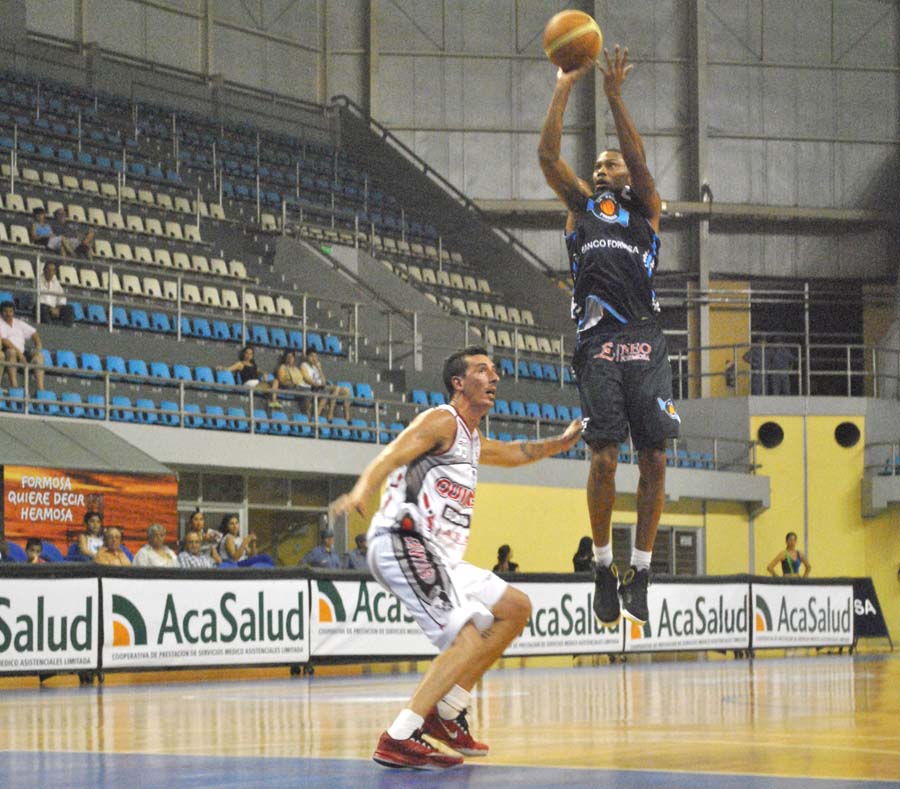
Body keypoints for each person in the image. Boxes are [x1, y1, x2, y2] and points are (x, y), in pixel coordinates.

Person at [334, 345, 581, 770]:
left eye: (494, 371)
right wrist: (362, 489)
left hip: (440, 556)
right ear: (458, 382)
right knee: (466, 637)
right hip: (403, 539)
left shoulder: (472, 439)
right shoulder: (442, 420)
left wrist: (559, 444)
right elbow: (393, 452)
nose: (494, 377)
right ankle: (399, 736)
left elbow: (515, 453)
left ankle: (447, 713)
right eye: (482, 370)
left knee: (515, 608)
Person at [539, 45, 680, 628]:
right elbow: (548, 156)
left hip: (646, 339)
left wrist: (616, 98)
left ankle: (640, 573)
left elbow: (640, 162)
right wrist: (564, 85)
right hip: (597, 342)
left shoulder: (645, 209)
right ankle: (602, 567)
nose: (602, 169)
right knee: (603, 460)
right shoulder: (582, 208)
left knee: (655, 459)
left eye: (610, 164)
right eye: (597, 165)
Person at [0, 300, 45, 391]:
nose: (8, 314)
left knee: (39, 357)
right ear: (1, 312)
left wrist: (38, 346)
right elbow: (5, 341)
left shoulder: (18, 323)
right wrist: (20, 355)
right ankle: (14, 387)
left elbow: (34, 333)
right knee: (11, 352)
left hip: (22, 352)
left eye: (10, 311)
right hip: (8, 351)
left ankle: (41, 390)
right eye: (5, 311)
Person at [301, 350, 351, 421]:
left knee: (346, 391)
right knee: (336, 388)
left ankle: (347, 418)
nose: (314, 358)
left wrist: (319, 369)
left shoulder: (316, 367)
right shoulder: (304, 365)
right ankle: (330, 414)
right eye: (311, 356)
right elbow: (307, 379)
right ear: (307, 356)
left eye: (315, 356)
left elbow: (324, 381)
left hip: (321, 387)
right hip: (313, 387)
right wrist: (317, 385)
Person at [38, 261, 75, 327]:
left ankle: (68, 331)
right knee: (43, 308)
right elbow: (38, 300)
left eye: (53, 270)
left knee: (69, 308)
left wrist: (58, 308)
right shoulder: (38, 281)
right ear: (44, 270)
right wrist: (51, 308)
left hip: (54, 309)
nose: (50, 273)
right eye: (48, 270)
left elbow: (62, 298)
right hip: (42, 308)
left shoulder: (56, 282)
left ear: (55, 272)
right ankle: (48, 329)